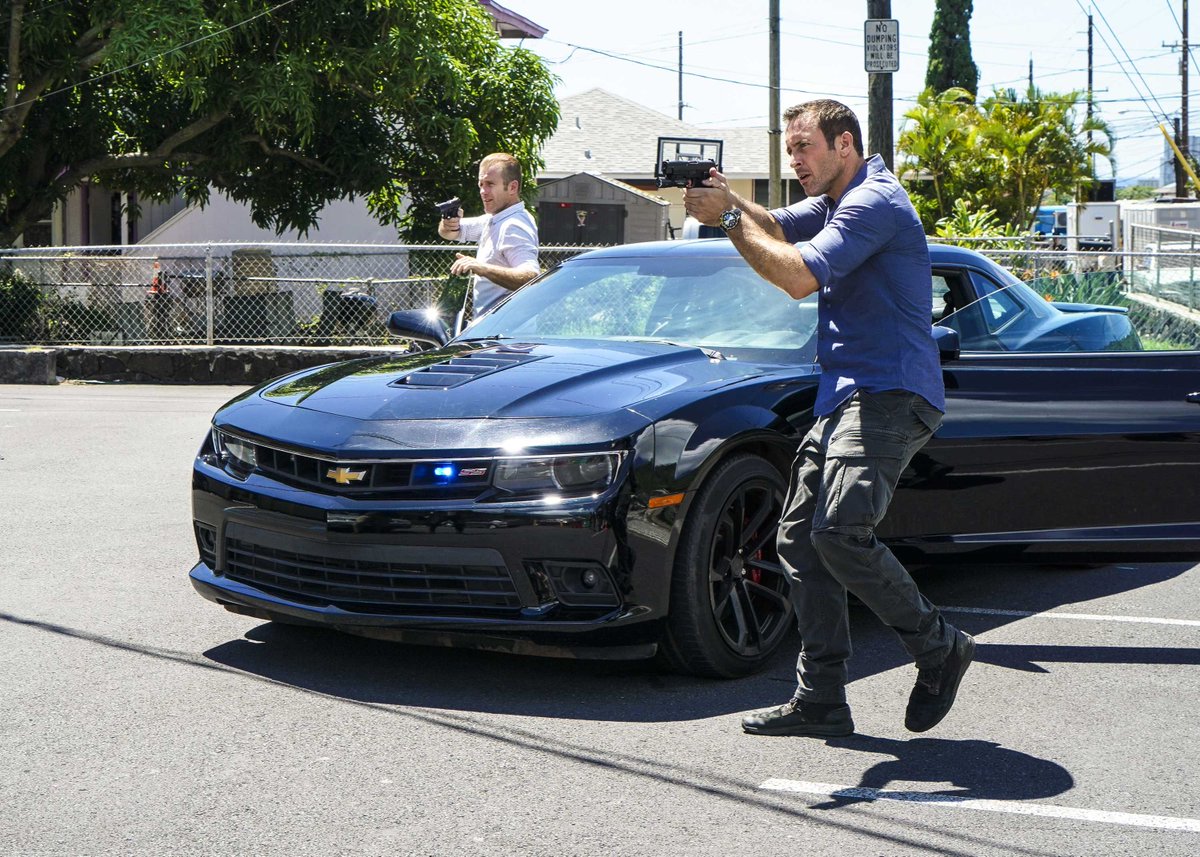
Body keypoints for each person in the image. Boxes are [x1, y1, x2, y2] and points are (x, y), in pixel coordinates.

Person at [683, 99, 974, 737]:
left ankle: (939, 645)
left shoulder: (874, 201)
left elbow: (797, 277)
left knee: (840, 531)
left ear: (845, 145)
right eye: (789, 150)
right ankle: (821, 698)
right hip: (845, 395)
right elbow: (776, 225)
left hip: (891, 391)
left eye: (804, 147)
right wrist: (727, 198)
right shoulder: (832, 199)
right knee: (799, 539)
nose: (794, 161)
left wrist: (728, 217)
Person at [438, 152, 540, 322]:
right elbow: (449, 233)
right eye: (481, 184)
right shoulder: (494, 220)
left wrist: (482, 268)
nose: (483, 191)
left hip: (507, 340)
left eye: (490, 184)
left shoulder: (513, 225)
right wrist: (449, 222)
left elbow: (531, 277)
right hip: (494, 333)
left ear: (512, 187)